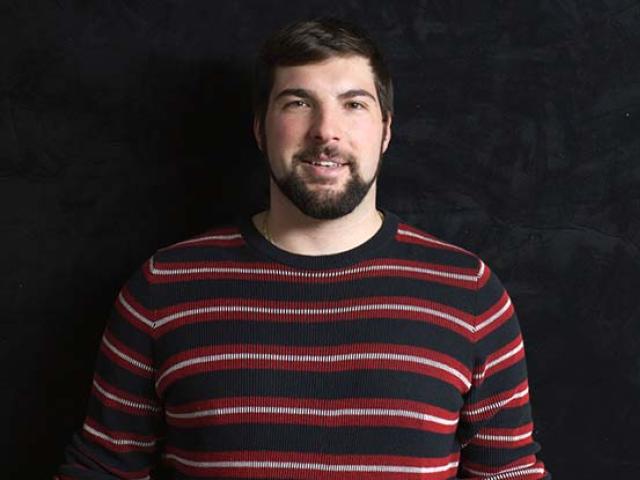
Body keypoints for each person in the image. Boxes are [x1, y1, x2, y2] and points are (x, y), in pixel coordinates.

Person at [57, 17, 550, 480]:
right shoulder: (162, 290)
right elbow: (100, 470)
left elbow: (511, 473)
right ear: (259, 128)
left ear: (386, 131)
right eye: (297, 102)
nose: (325, 131)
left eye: (354, 104)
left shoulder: (470, 294)